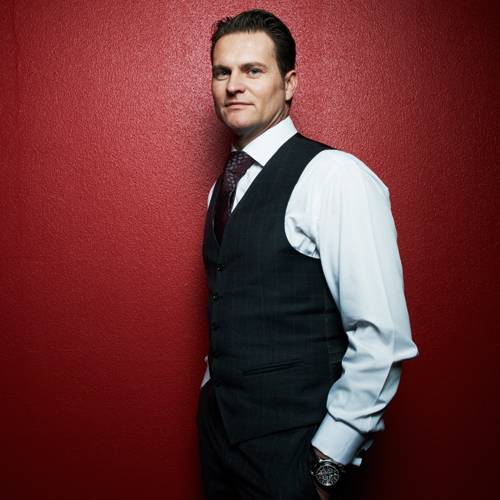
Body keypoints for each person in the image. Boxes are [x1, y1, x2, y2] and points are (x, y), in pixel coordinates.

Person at [196, 9, 418, 500]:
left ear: (289, 83)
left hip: (293, 456)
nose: (234, 85)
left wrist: (325, 465)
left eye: (253, 70)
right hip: (220, 445)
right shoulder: (223, 188)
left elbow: (381, 340)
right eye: (222, 72)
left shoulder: (335, 176)